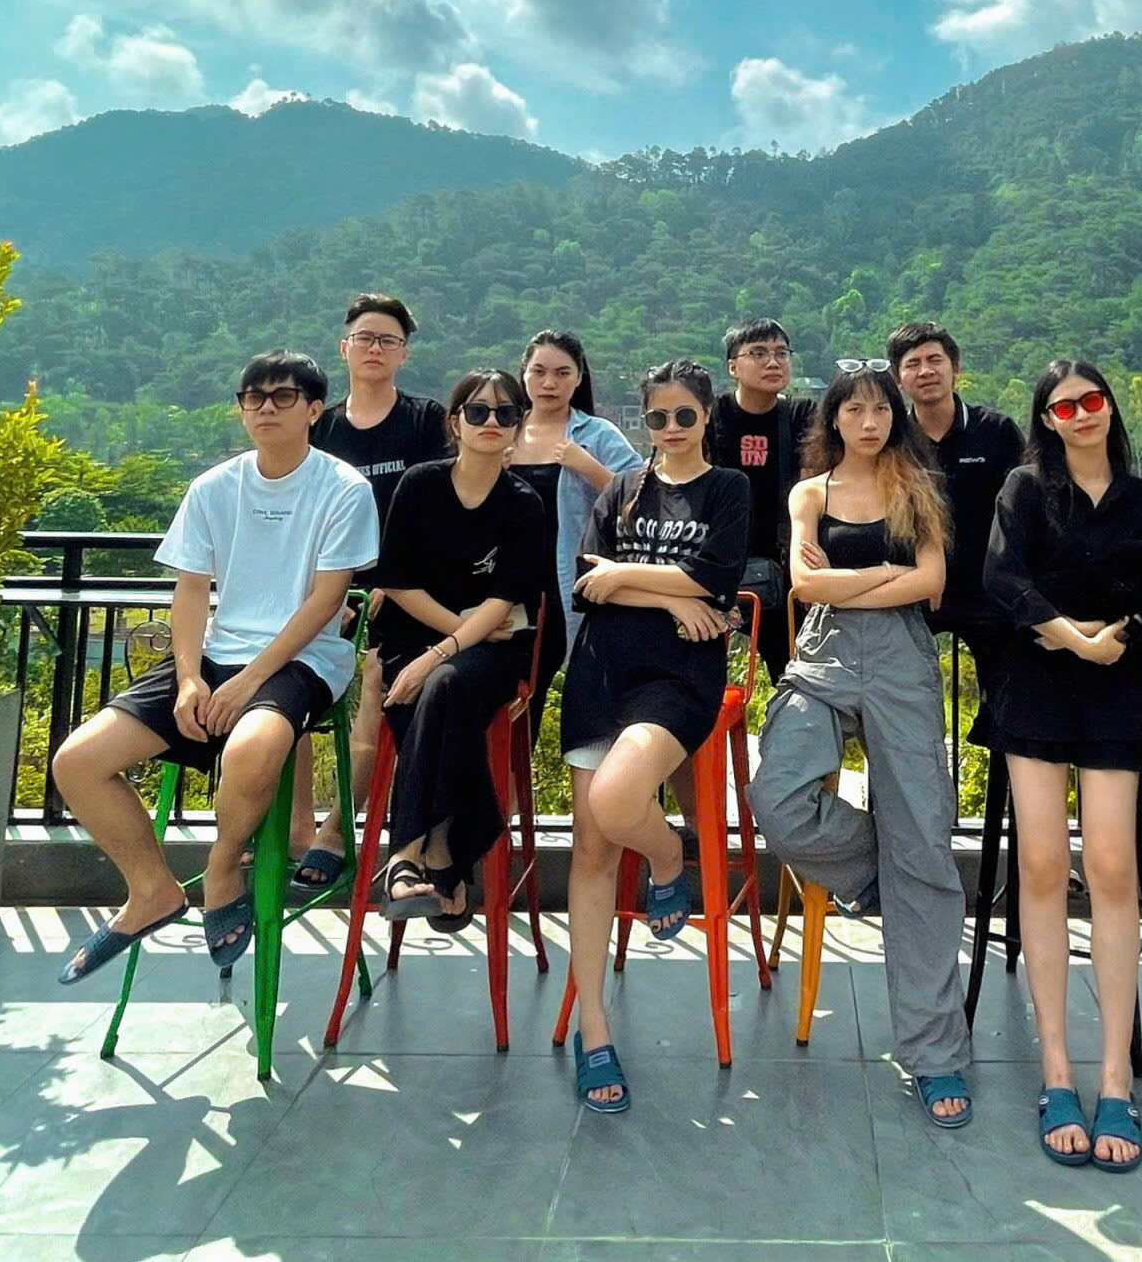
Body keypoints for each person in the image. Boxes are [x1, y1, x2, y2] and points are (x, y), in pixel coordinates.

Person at [52, 351, 378, 984]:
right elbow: (192, 589)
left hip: (303, 658)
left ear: (315, 409)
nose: (265, 408)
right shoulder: (213, 487)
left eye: (283, 397)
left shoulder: (343, 489)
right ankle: (151, 889)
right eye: (253, 397)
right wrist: (189, 678)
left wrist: (250, 680)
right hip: (215, 654)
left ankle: (223, 868)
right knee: (77, 762)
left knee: (253, 746)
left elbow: (326, 599)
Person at [747, 365, 974, 1129]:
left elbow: (932, 581)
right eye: (856, 409)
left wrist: (857, 578)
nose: (870, 420)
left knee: (924, 838)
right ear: (834, 419)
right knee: (779, 795)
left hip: (903, 653)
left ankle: (934, 1052)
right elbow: (805, 587)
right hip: (824, 652)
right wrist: (884, 572)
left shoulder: (917, 487)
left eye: (881, 408)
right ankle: (879, 868)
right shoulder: (810, 493)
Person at [983, 359, 1142, 1173]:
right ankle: (1056, 1071)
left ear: (1110, 406)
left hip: (1112, 690)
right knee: (1040, 865)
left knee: (1111, 868)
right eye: (1064, 406)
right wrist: (1075, 636)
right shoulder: (1025, 488)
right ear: (1046, 418)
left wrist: (1124, 635)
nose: (1081, 414)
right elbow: (1003, 577)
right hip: (1035, 682)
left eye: (1091, 400)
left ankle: (1114, 1078)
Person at [558, 359, 752, 1112]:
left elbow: (717, 576)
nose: (671, 429)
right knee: (592, 850)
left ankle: (670, 855)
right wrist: (674, 595)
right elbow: (588, 581)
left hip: (677, 679)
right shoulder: (622, 488)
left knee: (615, 801)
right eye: (657, 418)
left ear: (706, 417)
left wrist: (631, 578)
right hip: (600, 670)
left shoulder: (726, 488)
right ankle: (595, 1031)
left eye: (684, 416)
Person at [284, 293, 452, 892]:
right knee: (285, 681)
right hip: (328, 588)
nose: (374, 349)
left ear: (403, 353)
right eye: (364, 338)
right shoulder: (321, 426)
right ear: (344, 348)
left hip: (403, 591)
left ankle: (337, 831)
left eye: (388, 340)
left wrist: (390, 579)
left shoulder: (426, 421)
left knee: (378, 688)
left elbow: (440, 506)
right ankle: (293, 829)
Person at [371, 369, 547, 929]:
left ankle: (406, 856)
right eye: (477, 411)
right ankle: (446, 852)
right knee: (441, 690)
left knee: (442, 683)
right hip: (417, 638)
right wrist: (452, 638)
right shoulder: (420, 485)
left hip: (492, 655)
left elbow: (504, 602)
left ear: (518, 425)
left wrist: (440, 653)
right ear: (455, 423)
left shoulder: (523, 503)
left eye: (505, 413)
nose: (491, 421)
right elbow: (398, 581)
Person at [888, 320, 1025, 755]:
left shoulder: (996, 431)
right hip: (914, 591)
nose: (926, 371)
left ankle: (1007, 790)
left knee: (1011, 708)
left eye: (935, 360)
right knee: (898, 704)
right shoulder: (891, 438)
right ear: (898, 378)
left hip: (989, 592)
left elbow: (1024, 513)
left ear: (956, 368)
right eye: (913, 364)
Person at [512, 330, 644, 732]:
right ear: (523, 373)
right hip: (505, 586)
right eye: (539, 372)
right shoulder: (503, 430)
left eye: (562, 373)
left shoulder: (597, 434)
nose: (549, 383)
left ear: (579, 377)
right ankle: (510, 776)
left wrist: (587, 466)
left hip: (569, 586)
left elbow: (641, 502)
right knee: (510, 698)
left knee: (581, 696)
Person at [707, 319, 814, 683]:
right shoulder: (710, 416)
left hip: (782, 573)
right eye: (758, 353)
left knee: (794, 681)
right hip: (716, 568)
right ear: (732, 366)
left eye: (781, 353)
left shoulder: (801, 416)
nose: (773, 362)